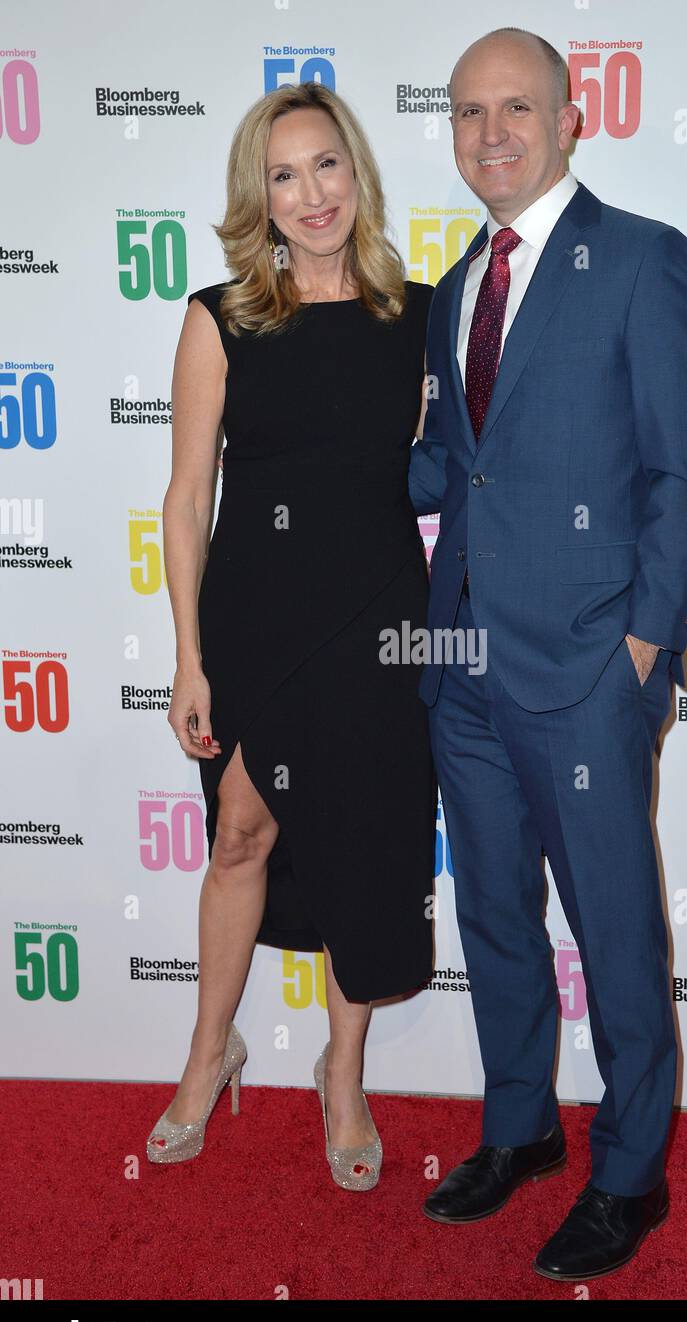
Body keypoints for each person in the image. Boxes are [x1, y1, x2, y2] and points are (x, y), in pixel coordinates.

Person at [409, 27, 687, 1278]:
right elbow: (442, 468)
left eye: (515, 109)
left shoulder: (642, 264)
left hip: (589, 671)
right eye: (468, 112)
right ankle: (517, 1127)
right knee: (491, 912)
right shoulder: (450, 289)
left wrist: (643, 651)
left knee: (611, 929)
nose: (490, 132)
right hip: (462, 668)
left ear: (568, 116)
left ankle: (630, 1172)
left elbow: (684, 478)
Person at [149, 82, 436, 1191]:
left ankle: (343, 1073)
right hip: (255, 621)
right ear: (255, 198)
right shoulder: (219, 317)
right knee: (239, 839)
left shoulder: (414, 316)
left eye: (326, 166)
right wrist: (186, 654)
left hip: (376, 620)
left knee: (365, 849)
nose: (310, 194)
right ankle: (206, 1052)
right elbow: (184, 500)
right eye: (283, 175)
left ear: (354, 173)